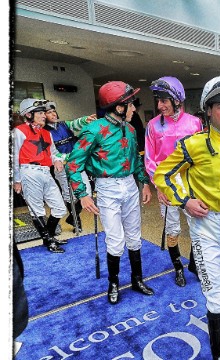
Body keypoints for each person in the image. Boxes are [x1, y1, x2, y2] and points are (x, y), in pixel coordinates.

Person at [154, 76, 220, 359]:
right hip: (205, 225)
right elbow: (164, 174)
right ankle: (218, 353)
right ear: (209, 110)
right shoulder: (193, 144)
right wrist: (185, 201)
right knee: (214, 292)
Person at [65, 81, 154, 305]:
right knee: (115, 240)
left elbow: (137, 160)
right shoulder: (94, 129)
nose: (134, 108)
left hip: (130, 186)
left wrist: (144, 183)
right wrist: (83, 194)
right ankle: (113, 284)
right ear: (118, 107)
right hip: (107, 187)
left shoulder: (131, 129)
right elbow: (73, 163)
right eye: (130, 104)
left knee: (134, 236)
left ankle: (137, 279)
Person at [144, 76, 203, 287]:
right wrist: (159, 186)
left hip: (190, 183)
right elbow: (149, 159)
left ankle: (196, 264)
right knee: (172, 228)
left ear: (177, 99)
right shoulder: (152, 126)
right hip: (166, 182)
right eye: (157, 101)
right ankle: (178, 267)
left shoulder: (195, 123)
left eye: (164, 100)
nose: (160, 106)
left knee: (197, 226)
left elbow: (201, 156)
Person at [13, 98, 67, 253]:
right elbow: (14, 157)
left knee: (59, 207)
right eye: (41, 113)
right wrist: (17, 180)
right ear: (29, 114)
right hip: (28, 171)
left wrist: (57, 160)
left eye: (44, 113)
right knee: (37, 210)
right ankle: (49, 241)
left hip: (46, 172)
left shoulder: (46, 133)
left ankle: (48, 237)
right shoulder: (19, 131)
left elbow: (54, 153)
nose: (44, 115)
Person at [44, 101, 96, 233]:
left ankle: (73, 217)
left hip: (76, 164)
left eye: (53, 111)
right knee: (69, 196)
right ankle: (76, 221)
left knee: (87, 192)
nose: (53, 114)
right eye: (49, 112)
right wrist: (63, 159)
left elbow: (75, 123)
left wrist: (86, 119)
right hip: (60, 167)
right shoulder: (43, 132)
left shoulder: (63, 124)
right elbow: (50, 153)